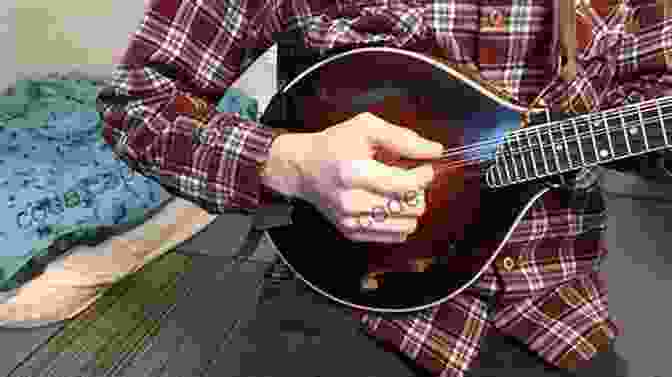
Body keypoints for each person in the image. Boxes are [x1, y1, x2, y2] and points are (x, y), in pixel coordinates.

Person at [96, 0, 670, 375]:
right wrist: (288, 161)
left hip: (555, 308)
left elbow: (650, 115)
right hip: (343, 293)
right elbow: (138, 104)